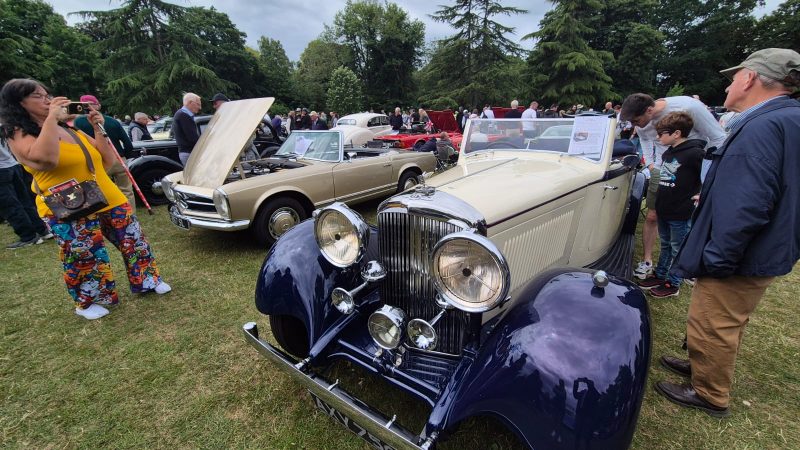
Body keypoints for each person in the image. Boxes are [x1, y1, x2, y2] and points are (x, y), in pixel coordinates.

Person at [655, 48, 800, 418]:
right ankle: (703, 367)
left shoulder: (762, 125)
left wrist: (718, 257)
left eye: (735, 76)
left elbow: (748, 204)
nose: (730, 84)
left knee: (713, 321)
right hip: (766, 244)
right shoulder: (788, 119)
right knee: (723, 318)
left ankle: (709, 393)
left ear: (750, 78)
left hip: (743, 252)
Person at [0, 78, 170, 320]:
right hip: (68, 201)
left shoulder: (68, 127)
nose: (47, 99)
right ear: (19, 103)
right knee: (83, 252)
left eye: (47, 94)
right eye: (38, 96)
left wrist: (98, 127)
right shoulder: (18, 133)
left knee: (133, 240)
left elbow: (106, 159)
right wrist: (50, 119)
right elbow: (45, 158)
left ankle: (147, 280)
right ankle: (88, 301)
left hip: (106, 194)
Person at [620, 92, 726, 280]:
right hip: (663, 169)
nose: (635, 126)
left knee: (684, 221)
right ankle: (648, 261)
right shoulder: (642, 123)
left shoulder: (688, 107)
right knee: (653, 216)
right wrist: (652, 164)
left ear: (650, 110)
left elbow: (718, 139)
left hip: (689, 171)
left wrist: (707, 180)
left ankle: (684, 268)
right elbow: (644, 140)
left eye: (637, 120)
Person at [635, 112, 704, 298]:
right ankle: (661, 274)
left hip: (680, 211)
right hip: (664, 207)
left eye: (662, 134)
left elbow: (707, 174)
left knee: (677, 248)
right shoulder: (668, 153)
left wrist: (702, 193)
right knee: (665, 244)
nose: (658, 138)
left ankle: (673, 283)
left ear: (676, 133)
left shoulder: (695, 153)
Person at [73, 94, 137, 209]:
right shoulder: (112, 121)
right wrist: (124, 156)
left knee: (101, 190)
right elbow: (128, 144)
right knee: (126, 190)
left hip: (96, 162)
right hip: (117, 159)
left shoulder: (77, 123)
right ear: (98, 105)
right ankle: (131, 215)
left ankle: (109, 216)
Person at [0, 137, 52, 248]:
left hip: (3, 169)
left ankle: (28, 236)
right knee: (25, 201)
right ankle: (42, 230)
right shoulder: (4, 124)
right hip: (13, 165)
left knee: (9, 206)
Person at [173, 92, 202, 165]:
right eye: (198, 104)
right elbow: (192, 138)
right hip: (189, 153)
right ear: (190, 103)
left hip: (186, 153)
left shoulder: (180, 114)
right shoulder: (183, 116)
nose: (200, 108)